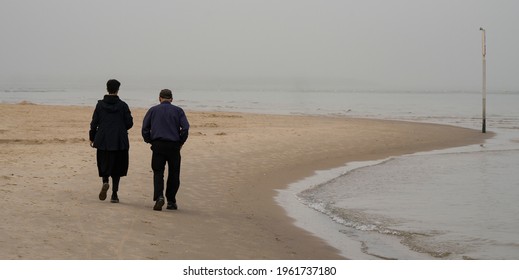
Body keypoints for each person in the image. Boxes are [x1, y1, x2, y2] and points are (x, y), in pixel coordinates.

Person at [142, 89, 189, 211]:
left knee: (158, 172)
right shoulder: (178, 111)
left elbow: (145, 128)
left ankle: (159, 197)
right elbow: (185, 128)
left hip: (158, 144)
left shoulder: (153, 110)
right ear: (172, 99)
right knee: (174, 173)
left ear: (159, 98)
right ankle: (171, 201)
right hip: (174, 145)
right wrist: (181, 141)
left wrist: (150, 141)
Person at [89, 79, 133, 203]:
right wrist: (120, 127)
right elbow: (129, 123)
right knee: (118, 167)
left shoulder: (100, 105)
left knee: (104, 162)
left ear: (107, 89)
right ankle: (114, 194)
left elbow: (94, 122)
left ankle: (105, 181)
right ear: (118, 89)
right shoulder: (123, 105)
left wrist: (92, 137)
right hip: (119, 140)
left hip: (103, 139)